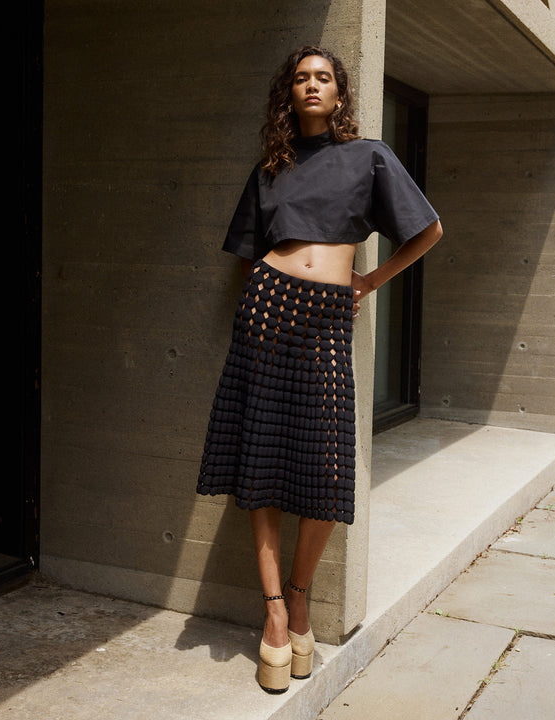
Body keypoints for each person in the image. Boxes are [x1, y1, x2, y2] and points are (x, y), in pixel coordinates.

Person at [197, 45, 442, 693]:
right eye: (302, 78)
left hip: (330, 314)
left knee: (327, 464)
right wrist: (261, 304)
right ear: (290, 93)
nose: (312, 86)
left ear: (340, 95)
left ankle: (301, 593)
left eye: (324, 78)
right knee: (262, 462)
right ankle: (274, 611)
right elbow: (248, 256)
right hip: (267, 313)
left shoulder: (368, 157)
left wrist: (370, 283)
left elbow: (428, 231)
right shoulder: (270, 168)